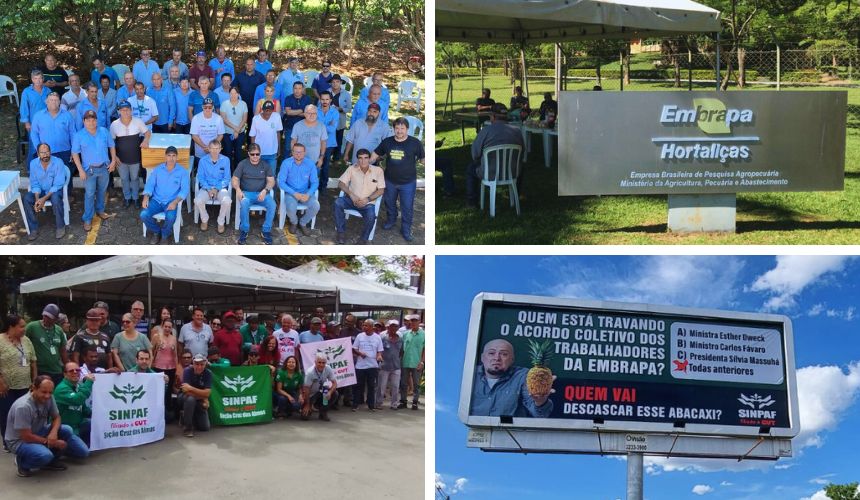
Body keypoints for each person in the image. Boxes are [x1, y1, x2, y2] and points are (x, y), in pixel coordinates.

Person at [6, 375, 90, 477]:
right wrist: (51, 442)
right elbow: (26, 437)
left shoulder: (50, 398)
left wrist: (53, 433)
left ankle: (49, 462)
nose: (47, 396)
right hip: (19, 441)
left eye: (50, 392)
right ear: (33, 388)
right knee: (44, 455)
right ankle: (22, 463)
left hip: (39, 431)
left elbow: (57, 417)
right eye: (44, 392)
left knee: (67, 430)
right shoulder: (23, 406)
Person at [370, 117, 423, 242]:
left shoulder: (415, 143)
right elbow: (374, 155)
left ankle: (406, 229)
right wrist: (365, 163)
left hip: (408, 182)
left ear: (407, 129)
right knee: (389, 203)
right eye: (397, 128)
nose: (399, 131)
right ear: (393, 129)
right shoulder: (387, 142)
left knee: (407, 207)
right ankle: (391, 220)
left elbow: (423, 160)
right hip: (389, 181)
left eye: (402, 128)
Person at [471, 338, 555, 417]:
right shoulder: (470, 374)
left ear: (512, 359)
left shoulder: (524, 375)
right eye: (491, 353)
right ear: (482, 357)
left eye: (504, 354)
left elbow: (540, 415)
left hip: (510, 431)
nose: (497, 358)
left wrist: (540, 401)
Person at [465, 103, 525, 207]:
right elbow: (522, 153)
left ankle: (472, 201)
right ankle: (515, 197)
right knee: (522, 167)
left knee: (471, 168)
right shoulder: (517, 131)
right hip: (513, 172)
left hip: (490, 173)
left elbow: (474, 154)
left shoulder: (485, 131)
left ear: (492, 116)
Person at [72, 109, 117, 231]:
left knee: (102, 191)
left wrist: (113, 161)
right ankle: (87, 218)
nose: (91, 123)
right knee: (90, 194)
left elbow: (112, 146)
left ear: (96, 121)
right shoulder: (79, 135)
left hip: (104, 168)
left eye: (93, 120)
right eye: (88, 120)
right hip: (89, 171)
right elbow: (75, 153)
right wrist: (80, 170)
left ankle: (100, 210)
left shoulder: (104, 131)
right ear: (84, 121)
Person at [1, 315, 38, 452]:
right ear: (11, 327)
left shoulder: (26, 340)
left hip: (26, 385)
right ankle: (8, 442)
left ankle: (25, 439)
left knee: (24, 414)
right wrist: (1, 382)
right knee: (6, 414)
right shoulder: (0, 340)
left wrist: (35, 380)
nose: (24, 329)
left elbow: (33, 361)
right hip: (6, 387)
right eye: (21, 326)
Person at [334, 148, 385, 244]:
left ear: (369, 159)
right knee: (338, 202)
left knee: (371, 216)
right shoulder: (352, 168)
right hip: (351, 200)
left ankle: (364, 239)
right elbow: (341, 183)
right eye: (360, 158)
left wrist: (367, 199)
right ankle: (341, 232)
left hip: (368, 203)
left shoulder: (378, 171)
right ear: (357, 159)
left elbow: (381, 190)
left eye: (366, 158)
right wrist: (351, 194)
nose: (363, 161)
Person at [140, 146, 189, 244]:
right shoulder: (158, 170)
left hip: (171, 202)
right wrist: (146, 197)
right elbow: (150, 184)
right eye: (169, 155)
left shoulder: (182, 172)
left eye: (174, 156)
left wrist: (175, 202)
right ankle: (156, 232)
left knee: (171, 218)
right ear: (165, 157)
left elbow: (185, 190)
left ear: (177, 157)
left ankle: (165, 235)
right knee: (143, 215)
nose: (171, 158)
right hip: (156, 200)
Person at [110, 100, 151, 209]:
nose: (125, 112)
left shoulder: (138, 121)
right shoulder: (114, 124)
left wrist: (146, 140)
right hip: (120, 159)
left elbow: (147, 132)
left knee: (135, 178)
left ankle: (136, 198)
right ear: (119, 111)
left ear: (131, 110)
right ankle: (127, 198)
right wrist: (115, 157)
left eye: (127, 109)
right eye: (123, 110)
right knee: (124, 179)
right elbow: (111, 143)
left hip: (135, 158)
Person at [233, 142, 276, 244]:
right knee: (244, 203)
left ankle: (266, 231)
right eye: (253, 154)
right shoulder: (243, 164)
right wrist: (238, 190)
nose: (255, 156)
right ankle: (244, 230)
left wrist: (265, 191)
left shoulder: (265, 165)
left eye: (257, 154)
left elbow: (271, 181)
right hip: (247, 193)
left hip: (262, 193)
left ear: (260, 154)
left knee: (272, 204)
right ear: (248, 154)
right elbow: (234, 179)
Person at [23, 144, 69, 241]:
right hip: (41, 191)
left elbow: (58, 184)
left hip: (54, 190)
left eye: (47, 151)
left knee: (56, 199)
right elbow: (34, 184)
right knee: (26, 198)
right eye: (42, 152)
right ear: (38, 153)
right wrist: (37, 200)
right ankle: (34, 229)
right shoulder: (33, 164)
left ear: (50, 152)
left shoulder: (58, 162)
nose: (45, 154)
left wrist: (43, 199)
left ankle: (60, 226)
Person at [278, 142, 320, 236]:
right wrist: (294, 193)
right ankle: (294, 222)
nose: (298, 154)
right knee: (291, 206)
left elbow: (315, 182)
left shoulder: (310, 164)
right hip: (291, 192)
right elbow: (281, 182)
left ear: (304, 152)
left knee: (316, 205)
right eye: (296, 152)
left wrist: (308, 194)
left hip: (305, 192)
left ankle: (303, 222)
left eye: (300, 152)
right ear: (292, 152)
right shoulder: (286, 163)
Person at [31, 92, 75, 174]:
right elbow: (34, 134)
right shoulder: (38, 116)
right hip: (45, 152)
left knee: (66, 176)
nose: (53, 102)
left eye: (56, 100)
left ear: (59, 102)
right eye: (51, 100)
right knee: (47, 177)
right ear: (46, 102)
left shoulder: (67, 115)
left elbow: (73, 134)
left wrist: (74, 150)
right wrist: (39, 149)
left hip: (64, 152)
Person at [194, 139, 232, 233]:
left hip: (220, 188)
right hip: (206, 188)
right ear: (209, 149)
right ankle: (204, 219)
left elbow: (227, 178)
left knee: (227, 201)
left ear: (220, 149)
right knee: (197, 200)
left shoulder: (225, 160)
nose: (215, 151)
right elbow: (201, 177)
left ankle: (221, 221)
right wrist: (208, 189)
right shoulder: (203, 161)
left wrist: (216, 188)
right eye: (212, 148)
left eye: (217, 148)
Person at [24, 305, 67, 386]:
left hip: (56, 371)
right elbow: (23, 344)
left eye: (49, 317)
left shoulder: (59, 330)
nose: (46, 318)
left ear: (56, 319)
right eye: (45, 315)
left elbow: (63, 350)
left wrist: (66, 366)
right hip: (40, 371)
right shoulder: (32, 327)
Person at [53, 362, 94, 445]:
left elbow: (85, 409)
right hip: (65, 429)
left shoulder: (78, 386)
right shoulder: (62, 388)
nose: (75, 372)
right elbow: (77, 400)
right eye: (71, 371)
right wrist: (89, 382)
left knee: (92, 422)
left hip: (77, 426)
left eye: (77, 370)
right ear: (65, 374)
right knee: (83, 452)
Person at [352, 319, 383, 412]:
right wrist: (360, 353)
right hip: (360, 366)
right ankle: (355, 404)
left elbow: (380, 350)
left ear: (371, 327)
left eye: (366, 325)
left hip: (372, 366)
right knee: (358, 386)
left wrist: (379, 356)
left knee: (371, 386)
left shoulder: (377, 337)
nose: (364, 327)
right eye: (363, 325)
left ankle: (371, 405)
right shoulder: (359, 336)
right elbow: (354, 348)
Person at [150, 321, 178, 420]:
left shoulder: (174, 338)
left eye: (169, 327)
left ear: (172, 329)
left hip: (171, 367)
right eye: (165, 326)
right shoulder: (156, 337)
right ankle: (157, 413)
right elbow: (151, 351)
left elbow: (175, 354)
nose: (167, 329)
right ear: (162, 327)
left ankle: (167, 414)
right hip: (158, 367)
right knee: (159, 391)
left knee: (168, 391)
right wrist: (150, 365)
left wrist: (177, 368)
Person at [20, 70, 51, 160]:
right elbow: (24, 108)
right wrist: (27, 123)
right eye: (35, 78)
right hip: (33, 123)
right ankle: (31, 168)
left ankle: (46, 164)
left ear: (43, 79)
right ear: (32, 79)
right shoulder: (27, 92)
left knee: (46, 144)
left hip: (47, 121)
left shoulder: (47, 90)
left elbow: (52, 105)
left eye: (40, 78)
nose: (38, 81)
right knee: (34, 145)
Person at [179, 354, 212, 437]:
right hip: (183, 398)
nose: (199, 367)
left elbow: (207, 393)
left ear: (205, 364)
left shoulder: (208, 373)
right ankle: (188, 428)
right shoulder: (187, 371)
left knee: (205, 427)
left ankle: (186, 417)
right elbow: (186, 391)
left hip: (199, 400)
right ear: (193, 364)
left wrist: (191, 388)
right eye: (197, 364)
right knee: (190, 399)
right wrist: (203, 396)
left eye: (202, 364)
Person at [290, 104, 327, 175]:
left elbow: (323, 142)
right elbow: (293, 141)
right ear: (304, 114)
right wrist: (293, 156)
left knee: (313, 183)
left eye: (314, 113)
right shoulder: (297, 125)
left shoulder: (321, 126)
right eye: (309, 113)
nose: (312, 115)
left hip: (315, 162)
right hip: (299, 161)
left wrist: (321, 158)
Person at [301, 353, 338, 421]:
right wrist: (307, 404)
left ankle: (323, 412)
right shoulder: (310, 372)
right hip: (310, 394)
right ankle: (307, 407)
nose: (321, 364)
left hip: (320, 392)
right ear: (315, 362)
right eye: (319, 362)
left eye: (323, 363)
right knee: (304, 417)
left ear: (326, 363)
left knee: (335, 393)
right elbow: (306, 389)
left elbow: (335, 383)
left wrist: (329, 392)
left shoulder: (328, 368)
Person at [398, 315, 425, 410]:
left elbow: (425, 349)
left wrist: (422, 362)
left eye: (415, 321)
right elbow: (402, 349)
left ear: (419, 321)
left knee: (416, 384)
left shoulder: (424, 334)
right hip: (405, 361)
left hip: (416, 362)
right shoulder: (406, 334)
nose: (413, 322)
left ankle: (415, 402)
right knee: (403, 383)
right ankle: (403, 401)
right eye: (412, 321)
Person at [190, 97, 225, 165]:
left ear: (213, 107)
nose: (207, 109)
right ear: (202, 107)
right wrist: (204, 147)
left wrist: (211, 147)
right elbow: (194, 135)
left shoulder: (218, 118)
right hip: (200, 152)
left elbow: (221, 134)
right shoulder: (196, 118)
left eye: (210, 107)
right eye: (205, 107)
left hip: (214, 152)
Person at [248, 101, 282, 170]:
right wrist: (253, 151)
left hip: (272, 152)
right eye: (266, 110)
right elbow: (252, 136)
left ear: (273, 110)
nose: (268, 112)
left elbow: (278, 133)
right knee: (259, 175)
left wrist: (279, 148)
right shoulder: (256, 119)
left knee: (271, 175)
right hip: (259, 153)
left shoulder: (277, 117)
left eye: (270, 110)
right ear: (262, 110)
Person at [376, 319, 403, 409]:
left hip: (396, 366)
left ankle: (394, 404)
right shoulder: (382, 337)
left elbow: (401, 351)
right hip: (384, 366)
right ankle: (379, 403)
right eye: (392, 326)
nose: (394, 328)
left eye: (396, 326)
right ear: (388, 327)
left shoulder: (400, 337)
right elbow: (378, 350)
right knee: (381, 387)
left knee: (396, 386)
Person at [220, 86, 248, 168]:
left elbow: (244, 119)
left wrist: (237, 130)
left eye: (235, 93)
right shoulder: (224, 104)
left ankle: (238, 173)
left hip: (240, 133)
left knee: (238, 153)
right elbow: (224, 119)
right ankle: (228, 172)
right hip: (227, 133)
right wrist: (235, 129)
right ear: (229, 94)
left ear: (238, 94)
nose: (233, 95)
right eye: (231, 93)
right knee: (227, 153)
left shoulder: (243, 104)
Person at [316, 91, 339, 187]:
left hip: (329, 143)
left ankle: (323, 186)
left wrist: (320, 125)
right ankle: (313, 185)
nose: (325, 101)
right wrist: (327, 125)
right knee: (315, 165)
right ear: (320, 100)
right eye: (322, 99)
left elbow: (333, 128)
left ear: (330, 100)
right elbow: (314, 127)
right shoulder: (315, 111)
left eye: (327, 99)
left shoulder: (335, 112)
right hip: (316, 143)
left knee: (325, 166)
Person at [282, 82, 311, 153]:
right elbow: (288, 112)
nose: (297, 90)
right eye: (295, 88)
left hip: (303, 128)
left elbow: (308, 114)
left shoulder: (307, 99)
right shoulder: (288, 98)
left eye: (299, 88)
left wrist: (293, 112)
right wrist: (302, 110)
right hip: (290, 127)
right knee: (288, 148)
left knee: (302, 148)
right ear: (292, 89)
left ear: (302, 89)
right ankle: (287, 163)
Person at [329, 74, 352, 160]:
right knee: (328, 140)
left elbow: (349, 109)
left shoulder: (346, 94)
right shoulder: (327, 92)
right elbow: (320, 106)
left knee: (339, 140)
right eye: (333, 82)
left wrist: (341, 109)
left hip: (340, 121)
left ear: (341, 83)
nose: (335, 84)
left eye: (337, 82)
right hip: (328, 121)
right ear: (331, 83)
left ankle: (336, 158)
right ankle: (326, 156)